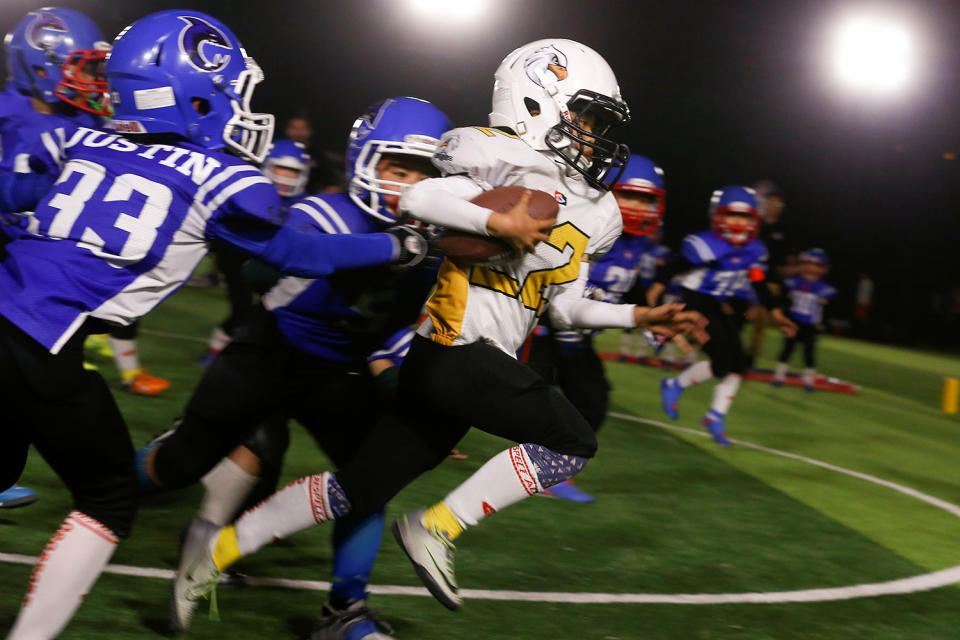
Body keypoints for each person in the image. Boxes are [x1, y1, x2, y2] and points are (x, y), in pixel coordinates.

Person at [169, 38, 708, 620]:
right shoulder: (496, 155)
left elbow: (565, 309)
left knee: (357, 488)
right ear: (535, 102)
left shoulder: (597, 211)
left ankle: (214, 556)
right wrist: (494, 218)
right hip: (455, 348)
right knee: (572, 440)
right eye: (583, 114)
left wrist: (638, 316)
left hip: (473, 363)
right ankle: (438, 527)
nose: (591, 131)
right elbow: (423, 194)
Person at [0, 12, 430, 639]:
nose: (237, 106)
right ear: (188, 94)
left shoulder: (81, 139)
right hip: (47, 341)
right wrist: (397, 249)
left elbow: (16, 193)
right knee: (110, 495)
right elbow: (294, 255)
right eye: (228, 90)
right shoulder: (222, 178)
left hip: (14, 312)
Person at [138, 96, 454, 638]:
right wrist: (378, 249)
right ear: (364, 161)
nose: (408, 188)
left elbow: (398, 328)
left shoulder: (433, 250)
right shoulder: (325, 213)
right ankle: (107, 487)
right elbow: (263, 269)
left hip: (335, 372)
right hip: (266, 353)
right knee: (180, 464)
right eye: (398, 170)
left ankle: (343, 611)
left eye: (423, 176)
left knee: (368, 481)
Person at [0, 6, 111, 510]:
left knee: (21, 400)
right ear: (42, 66)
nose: (94, 81)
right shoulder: (5, 117)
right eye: (85, 68)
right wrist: (41, 188)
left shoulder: (88, 120)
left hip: (41, 280)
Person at [524, 153, 667, 502]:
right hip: (540, 329)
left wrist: (650, 320)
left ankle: (551, 472)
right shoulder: (586, 224)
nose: (637, 206)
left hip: (580, 339)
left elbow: (630, 288)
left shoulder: (639, 245)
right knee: (517, 397)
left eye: (646, 199)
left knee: (594, 399)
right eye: (629, 195)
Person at [655, 185, 795, 446]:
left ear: (754, 219)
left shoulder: (754, 249)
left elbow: (759, 282)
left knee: (737, 365)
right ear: (718, 216)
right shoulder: (703, 244)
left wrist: (777, 313)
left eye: (745, 217)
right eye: (732, 215)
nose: (739, 223)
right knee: (722, 361)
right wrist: (656, 291)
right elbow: (675, 266)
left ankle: (714, 414)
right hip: (697, 301)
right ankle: (676, 386)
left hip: (723, 304)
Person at [200, 139, 313, 365]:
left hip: (272, 262)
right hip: (238, 256)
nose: (285, 177)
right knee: (243, 309)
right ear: (268, 166)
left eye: (293, 171)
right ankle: (214, 355)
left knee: (271, 313)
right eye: (281, 169)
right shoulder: (250, 189)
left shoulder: (303, 202)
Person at [743, 179, 792, 369]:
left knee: (760, 323)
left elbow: (786, 261)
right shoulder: (755, 225)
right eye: (772, 202)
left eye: (779, 204)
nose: (776, 207)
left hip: (769, 281)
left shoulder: (784, 231)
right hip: (748, 277)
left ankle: (750, 358)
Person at [772, 248, 837, 391]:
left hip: (811, 325)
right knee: (787, 350)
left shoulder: (825, 289)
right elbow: (782, 301)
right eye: (808, 264)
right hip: (793, 322)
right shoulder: (792, 283)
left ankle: (808, 381)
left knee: (809, 353)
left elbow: (827, 310)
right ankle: (778, 376)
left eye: (816, 265)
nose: (811, 268)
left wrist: (822, 323)